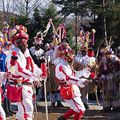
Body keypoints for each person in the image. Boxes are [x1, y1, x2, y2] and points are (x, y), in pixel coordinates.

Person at [6, 25, 46, 120]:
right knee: (27, 110)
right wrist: (33, 77)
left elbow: (32, 66)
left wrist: (40, 73)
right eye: (19, 40)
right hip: (20, 86)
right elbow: (19, 69)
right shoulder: (13, 52)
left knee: (22, 113)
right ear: (15, 42)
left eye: (24, 40)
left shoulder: (26, 51)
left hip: (27, 85)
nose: (22, 42)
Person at [54, 42, 91, 120]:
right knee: (80, 109)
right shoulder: (61, 66)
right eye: (69, 54)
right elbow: (69, 78)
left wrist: (84, 72)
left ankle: (63, 118)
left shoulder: (67, 64)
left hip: (73, 88)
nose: (72, 56)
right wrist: (81, 81)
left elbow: (74, 75)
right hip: (68, 90)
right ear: (63, 55)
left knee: (76, 108)